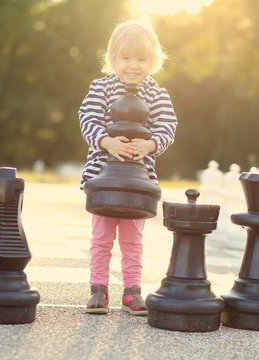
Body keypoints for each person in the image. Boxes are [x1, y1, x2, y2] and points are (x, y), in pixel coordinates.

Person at [78, 20, 177, 315]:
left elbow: (168, 127)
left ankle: (132, 291)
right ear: (113, 59)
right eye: (126, 58)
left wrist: (150, 145)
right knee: (102, 238)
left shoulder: (157, 94)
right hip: (104, 177)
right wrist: (107, 142)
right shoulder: (101, 87)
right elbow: (88, 119)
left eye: (141, 59)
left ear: (153, 61)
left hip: (138, 180)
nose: (133, 65)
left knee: (133, 240)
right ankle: (98, 290)